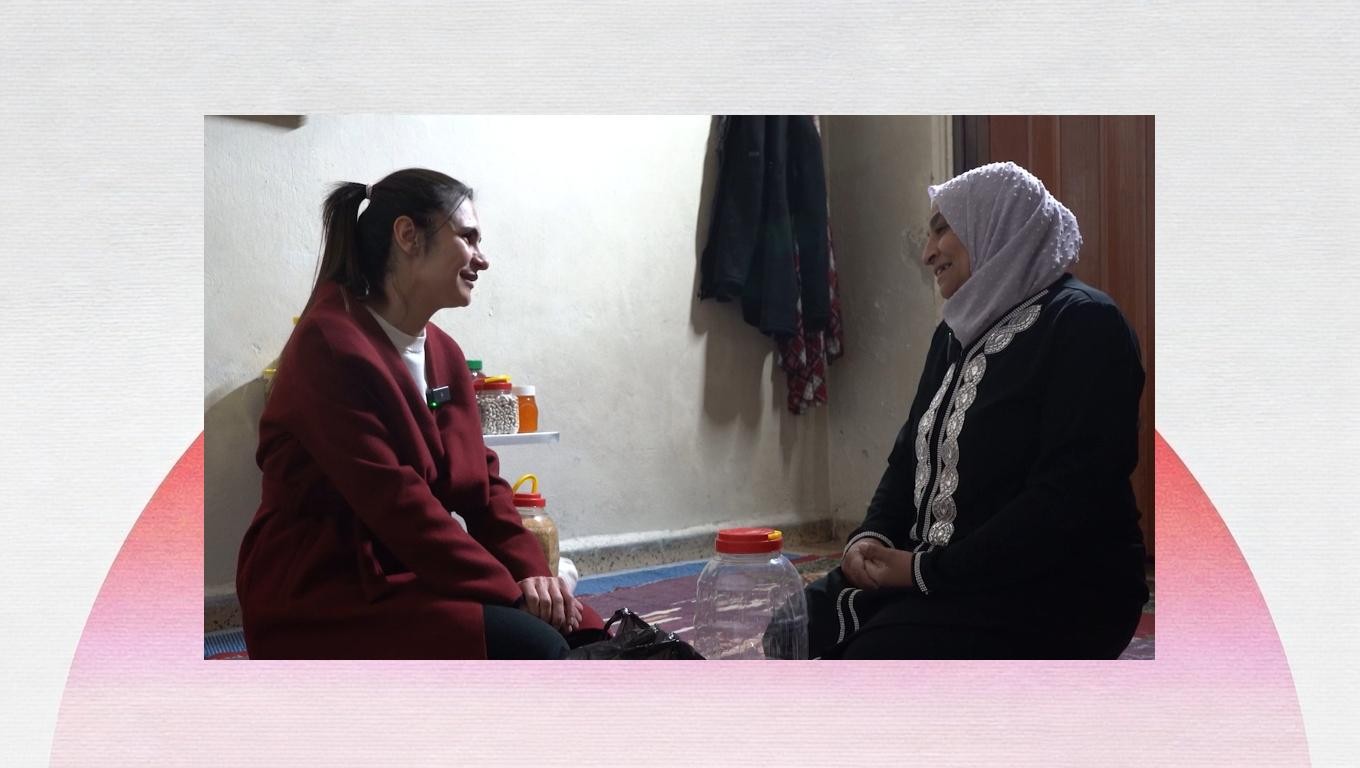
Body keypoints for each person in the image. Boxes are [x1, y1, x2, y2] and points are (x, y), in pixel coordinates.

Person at [236, 168, 604, 659]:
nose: (483, 259)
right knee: (537, 645)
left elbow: (483, 487)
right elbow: (399, 506)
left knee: (589, 631)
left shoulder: (445, 354)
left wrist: (533, 574)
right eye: (468, 238)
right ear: (408, 235)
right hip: (324, 588)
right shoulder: (329, 345)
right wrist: (515, 596)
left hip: (410, 566)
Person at [801, 161, 1149, 659]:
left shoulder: (1085, 323)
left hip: (1056, 588)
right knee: (794, 625)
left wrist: (921, 572)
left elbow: (1067, 498)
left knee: (871, 658)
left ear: (996, 224)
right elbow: (908, 455)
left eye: (942, 229)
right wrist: (869, 538)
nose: (927, 253)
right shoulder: (954, 333)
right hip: (938, 571)